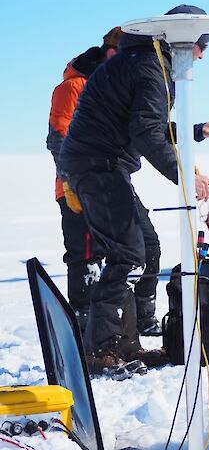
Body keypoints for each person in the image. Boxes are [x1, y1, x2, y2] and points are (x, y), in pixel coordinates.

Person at [59, 5, 209, 373]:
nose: (202, 55)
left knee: (146, 248)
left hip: (106, 166)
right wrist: (186, 176)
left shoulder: (145, 62)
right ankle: (102, 349)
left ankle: (126, 344)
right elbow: (146, 133)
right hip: (97, 166)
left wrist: (199, 130)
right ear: (186, 43)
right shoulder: (149, 68)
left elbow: (148, 124)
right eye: (202, 46)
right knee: (127, 254)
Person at [46, 27, 123, 335]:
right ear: (110, 53)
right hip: (75, 188)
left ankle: (108, 322)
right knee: (84, 254)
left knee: (114, 252)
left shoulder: (106, 86)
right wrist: (73, 182)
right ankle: (81, 322)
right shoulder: (73, 87)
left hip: (105, 185)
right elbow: (58, 137)